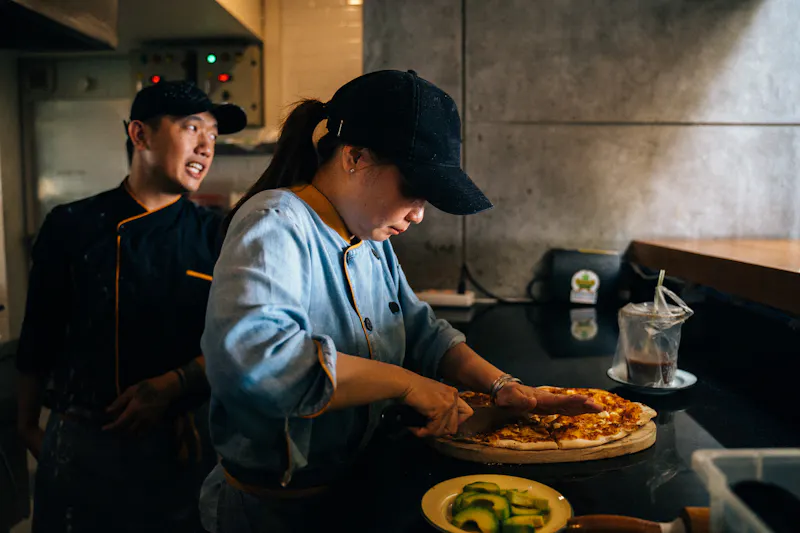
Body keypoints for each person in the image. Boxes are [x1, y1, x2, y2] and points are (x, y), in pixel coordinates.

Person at [198, 70, 602, 532]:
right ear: (354, 157)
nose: (419, 214)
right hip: (271, 513)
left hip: (353, 490)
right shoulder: (276, 221)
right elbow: (256, 363)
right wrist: (406, 383)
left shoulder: (370, 240)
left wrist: (503, 386)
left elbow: (422, 331)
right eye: (413, 190)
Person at [15, 80, 247, 533]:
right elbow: (38, 334)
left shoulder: (218, 235)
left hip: (186, 443)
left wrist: (175, 385)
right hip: (84, 442)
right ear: (140, 135)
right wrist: (26, 425)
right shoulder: (73, 225)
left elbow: (241, 339)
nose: (206, 145)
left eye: (214, 135)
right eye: (192, 127)